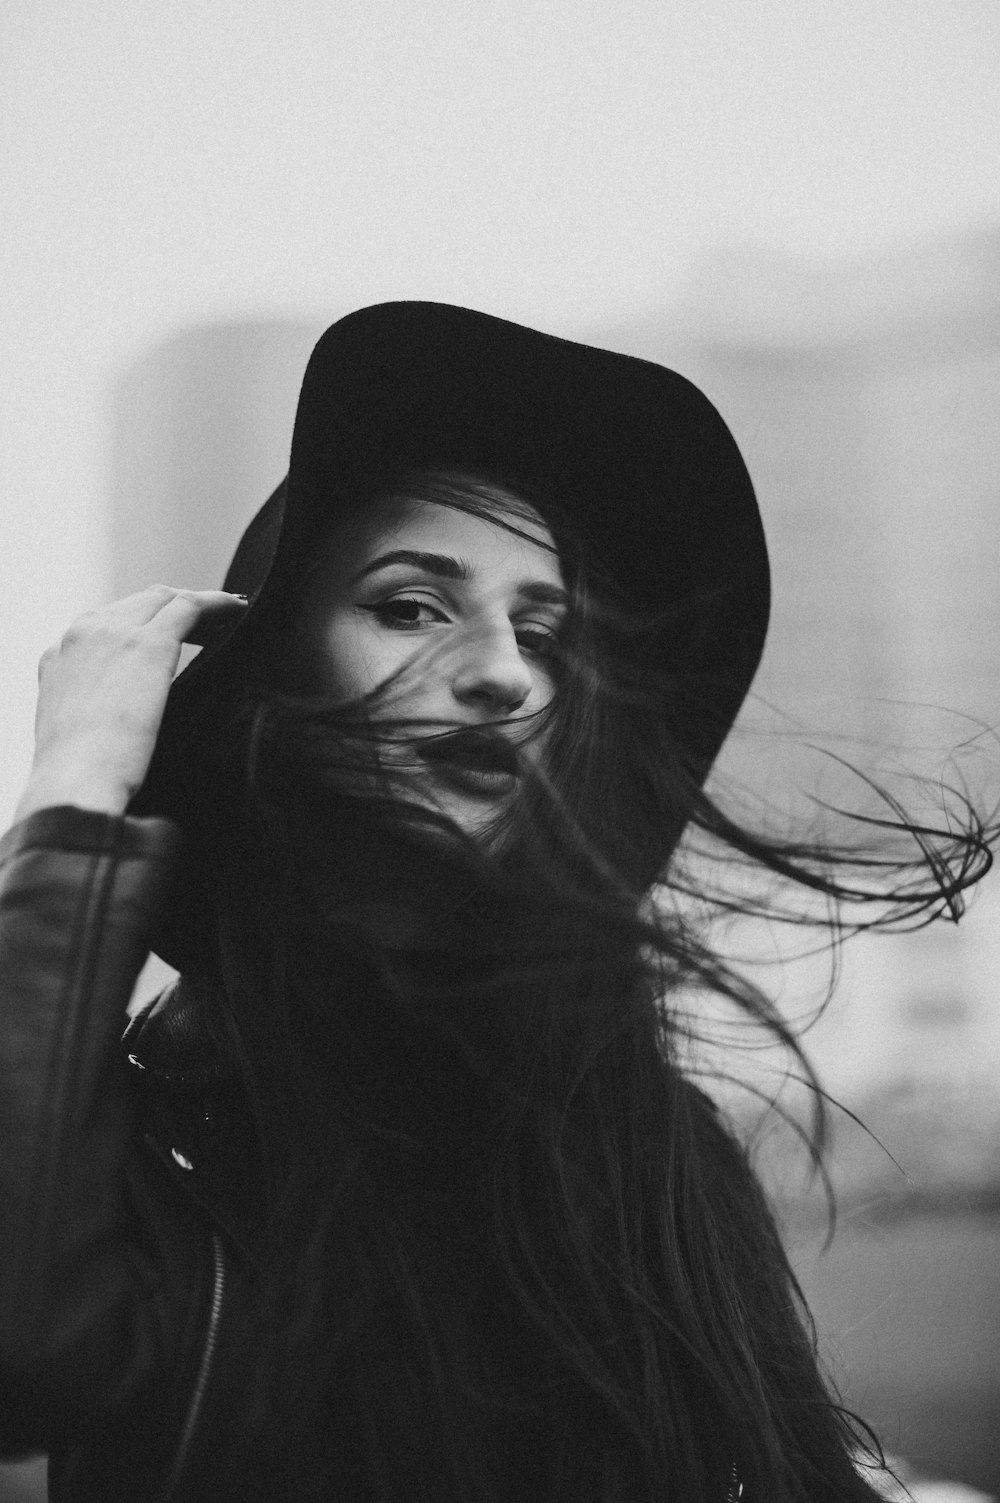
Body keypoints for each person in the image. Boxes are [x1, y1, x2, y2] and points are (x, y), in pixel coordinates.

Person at [0, 302, 990, 1503]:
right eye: (411, 606)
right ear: (272, 681)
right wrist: (76, 783)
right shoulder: (142, 1142)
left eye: (544, 633)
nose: (503, 671)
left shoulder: (648, 1139)